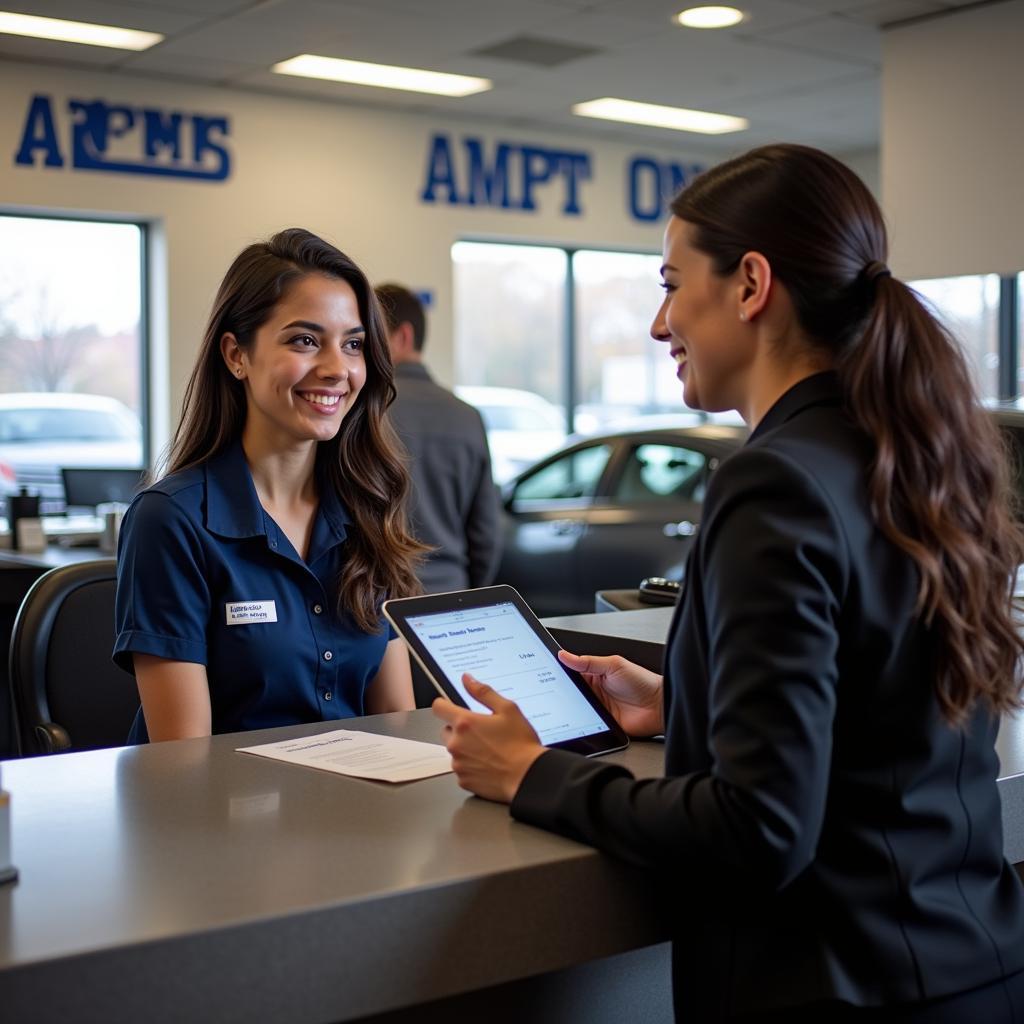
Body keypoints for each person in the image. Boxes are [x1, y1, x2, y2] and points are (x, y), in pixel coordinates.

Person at [432, 144, 1024, 1021]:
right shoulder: (914, 456)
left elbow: (757, 831)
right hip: (966, 966)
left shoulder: (775, 482)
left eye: (672, 284)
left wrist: (530, 774)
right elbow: (880, 715)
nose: (658, 324)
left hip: (837, 985)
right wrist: (685, 706)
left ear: (750, 285)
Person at [114, 228, 425, 742]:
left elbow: (396, 721)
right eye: (304, 340)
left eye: (352, 345)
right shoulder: (170, 520)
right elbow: (183, 762)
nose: (335, 369)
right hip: (221, 815)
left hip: (359, 811)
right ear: (236, 355)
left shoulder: (367, 507)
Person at [375, 282, 500, 593]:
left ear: (403, 336)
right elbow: (486, 534)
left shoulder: (365, 411)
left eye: (371, 337)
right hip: (451, 595)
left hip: (379, 599)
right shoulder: (468, 417)